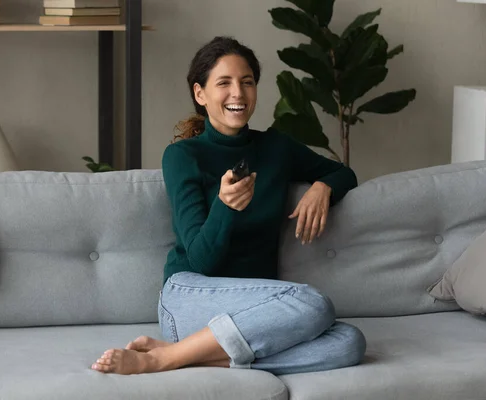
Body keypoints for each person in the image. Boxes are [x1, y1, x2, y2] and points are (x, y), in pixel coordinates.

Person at [91, 36, 366, 375]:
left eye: (247, 82)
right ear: (200, 94)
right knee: (313, 303)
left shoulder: (276, 148)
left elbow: (344, 173)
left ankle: (190, 354)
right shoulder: (183, 156)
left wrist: (323, 187)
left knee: (349, 342)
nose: (238, 93)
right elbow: (199, 260)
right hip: (190, 297)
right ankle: (159, 359)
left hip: (257, 311)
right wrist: (225, 206)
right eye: (224, 83)